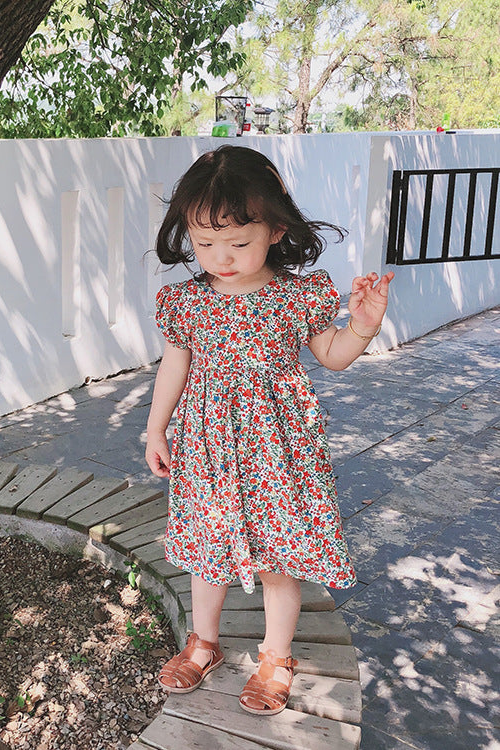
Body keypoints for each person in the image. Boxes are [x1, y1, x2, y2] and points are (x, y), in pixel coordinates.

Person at [144, 145, 394, 715]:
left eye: (238, 242)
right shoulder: (185, 302)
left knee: (280, 556)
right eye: (204, 243)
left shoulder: (298, 294)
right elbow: (174, 367)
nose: (220, 257)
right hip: (208, 446)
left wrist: (360, 327)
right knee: (210, 552)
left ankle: (276, 657)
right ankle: (203, 643)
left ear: (276, 229)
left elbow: (331, 355)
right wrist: (157, 430)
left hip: (280, 449)